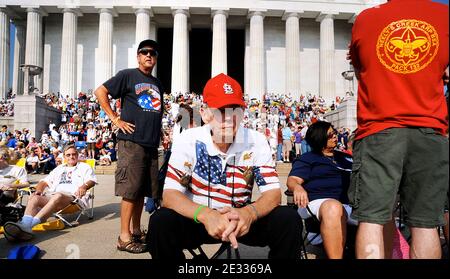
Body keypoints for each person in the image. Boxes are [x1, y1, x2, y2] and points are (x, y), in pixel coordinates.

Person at [147, 73, 301, 259]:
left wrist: (249, 213)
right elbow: (170, 195)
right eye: (220, 110)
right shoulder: (188, 139)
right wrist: (205, 214)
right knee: (160, 222)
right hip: (198, 218)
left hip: (241, 218)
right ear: (204, 113)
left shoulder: (256, 140)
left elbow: (273, 194)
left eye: (234, 110)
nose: (228, 118)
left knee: (288, 219)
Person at [349, 0, 449, 259]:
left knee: (372, 219)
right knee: (425, 224)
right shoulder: (444, 15)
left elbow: (361, 68)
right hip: (430, 129)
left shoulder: (367, 18)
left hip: (379, 130)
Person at [95, 39, 163, 253]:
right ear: (138, 56)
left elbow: (154, 111)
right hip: (132, 142)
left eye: (152, 53)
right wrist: (115, 119)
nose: (148, 55)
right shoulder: (127, 75)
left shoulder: (158, 83)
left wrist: (160, 131)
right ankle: (123, 238)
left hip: (151, 143)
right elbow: (100, 92)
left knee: (143, 191)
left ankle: (135, 230)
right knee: (131, 191)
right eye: (144, 52)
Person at [287, 121, 355, 259]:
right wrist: (297, 187)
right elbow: (292, 180)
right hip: (317, 202)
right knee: (333, 207)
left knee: (380, 211)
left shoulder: (346, 158)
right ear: (320, 137)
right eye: (330, 135)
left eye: (334, 133)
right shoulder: (308, 159)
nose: (335, 137)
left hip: (349, 204)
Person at [3, 145, 96, 242]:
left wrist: (84, 186)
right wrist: (39, 190)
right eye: (68, 155)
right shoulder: (59, 168)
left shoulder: (85, 167)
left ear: (77, 155)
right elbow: (44, 182)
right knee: (35, 197)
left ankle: (29, 226)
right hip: (53, 197)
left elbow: (92, 180)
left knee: (58, 195)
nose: (71, 157)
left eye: (74, 154)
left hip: (73, 199)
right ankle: (25, 226)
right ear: (64, 157)